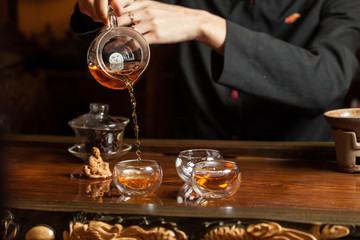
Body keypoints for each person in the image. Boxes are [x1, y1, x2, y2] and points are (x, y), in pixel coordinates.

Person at [70, 0, 360, 141]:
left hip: (297, 169)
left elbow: (327, 82)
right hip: (190, 166)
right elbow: (113, 34)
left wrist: (207, 26)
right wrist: (97, 9)